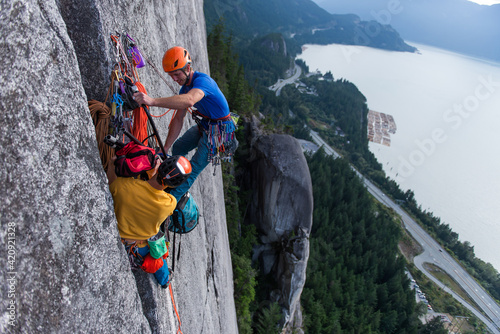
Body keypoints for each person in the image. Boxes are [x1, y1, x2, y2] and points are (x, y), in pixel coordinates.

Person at [133, 46, 235, 200]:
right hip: (207, 125)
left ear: (188, 67)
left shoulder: (203, 81)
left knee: (192, 169)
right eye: (171, 75)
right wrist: (165, 148)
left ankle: (169, 201)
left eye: (176, 74)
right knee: (179, 147)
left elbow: (189, 100)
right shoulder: (185, 88)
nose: (174, 79)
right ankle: (174, 177)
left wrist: (152, 101)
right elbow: (178, 119)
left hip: (220, 132)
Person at [107, 153, 192, 288]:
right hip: (139, 248)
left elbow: (112, 185)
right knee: (159, 250)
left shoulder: (124, 186)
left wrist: (111, 166)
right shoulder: (169, 203)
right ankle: (165, 281)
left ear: (159, 167)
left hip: (119, 237)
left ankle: (165, 279)